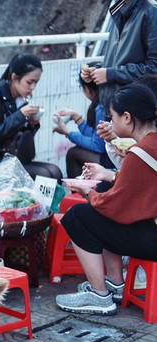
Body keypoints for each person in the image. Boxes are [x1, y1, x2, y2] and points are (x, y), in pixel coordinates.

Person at [56, 83, 157, 315]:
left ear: (127, 117)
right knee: (100, 197)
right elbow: (141, 186)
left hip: (153, 240)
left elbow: (115, 207)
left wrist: (86, 193)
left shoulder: (139, 153)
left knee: (77, 217)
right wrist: (106, 176)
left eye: (112, 117)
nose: (110, 123)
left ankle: (99, 295)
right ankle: (115, 282)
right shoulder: (151, 143)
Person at [0, 53, 63, 183]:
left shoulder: (21, 99)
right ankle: (38, 204)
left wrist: (32, 124)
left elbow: (21, 137)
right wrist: (20, 115)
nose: (33, 87)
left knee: (55, 172)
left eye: (36, 82)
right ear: (14, 77)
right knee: (45, 176)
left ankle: (46, 204)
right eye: (29, 82)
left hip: (14, 159)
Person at [81, 0, 157, 119]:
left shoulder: (151, 12)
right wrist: (97, 71)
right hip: (113, 109)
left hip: (133, 113)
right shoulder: (120, 9)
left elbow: (154, 67)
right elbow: (120, 60)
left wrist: (112, 74)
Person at [53, 77, 106, 178]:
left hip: (112, 159)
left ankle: (78, 192)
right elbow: (96, 135)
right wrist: (76, 118)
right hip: (113, 154)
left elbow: (97, 145)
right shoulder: (102, 103)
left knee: (73, 153)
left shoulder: (101, 108)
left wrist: (68, 133)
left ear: (86, 89)